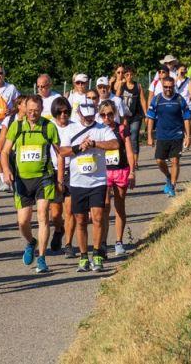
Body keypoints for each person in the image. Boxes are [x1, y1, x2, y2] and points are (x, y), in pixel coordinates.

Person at [0, 95, 61, 274]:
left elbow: (60, 153)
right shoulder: (17, 126)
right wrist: (6, 171)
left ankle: (41, 258)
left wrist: (60, 177)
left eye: (36, 110)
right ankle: (30, 242)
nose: (33, 114)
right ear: (25, 109)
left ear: (42, 110)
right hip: (22, 179)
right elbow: (4, 152)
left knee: (43, 216)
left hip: (44, 177)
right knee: (23, 221)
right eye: (30, 110)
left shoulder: (49, 127)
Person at [58, 101, 119, 272]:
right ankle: (84, 257)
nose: (89, 120)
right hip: (78, 182)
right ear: (79, 114)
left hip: (98, 181)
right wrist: (79, 147)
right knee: (81, 220)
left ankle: (97, 254)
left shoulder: (102, 128)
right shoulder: (70, 129)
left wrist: (94, 144)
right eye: (86, 117)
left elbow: (115, 144)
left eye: (92, 117)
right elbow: (62, 151)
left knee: (98, 218)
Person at [99, 100, 136, 256]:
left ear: (114, 114)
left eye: (109, 114)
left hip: (121, 170)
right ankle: (102, 243)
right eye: (103, 115)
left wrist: (132, 172)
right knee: (104, 207)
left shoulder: (122, 129)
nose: (106, 118)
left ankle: (119, 242)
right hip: (104, 172)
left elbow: (129, 151)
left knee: (119, 207)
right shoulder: (98, 130)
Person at [147, 76, 191, 197]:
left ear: (174, 86)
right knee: (159, 160)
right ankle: (168, 176)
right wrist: (149, 136)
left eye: (170, 87)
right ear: (162, 86)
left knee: (175, 160)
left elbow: (187, 118)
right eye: (165, 87)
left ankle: (172, 186)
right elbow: (150, 118)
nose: (168, 89)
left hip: (177, 135)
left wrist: (188, 136)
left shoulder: (179, 99)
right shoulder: (157, 100)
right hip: (161, 135)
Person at [50, 97, 77, 257]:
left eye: (66, 112)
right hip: (52, 171)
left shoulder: (75, 127)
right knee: (55, 213)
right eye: (59, 112)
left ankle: (68, 244)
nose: (63, 115)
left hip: (72, 171)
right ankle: (58, 229)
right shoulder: (49, 127)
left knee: (70, 210)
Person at [115, 65, 147, 159]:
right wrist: (120, 84)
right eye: (127, 75)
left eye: (131, 75)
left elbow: (143, 100)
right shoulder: (122, 86)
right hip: (124, 116)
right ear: (124, 76)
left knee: (134, 136)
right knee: (124, 137)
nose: (129, 77)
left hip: (136, 115)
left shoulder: (138, 86)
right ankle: (127, 158)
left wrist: (146, 115)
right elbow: (116, 97)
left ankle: (135, 160)